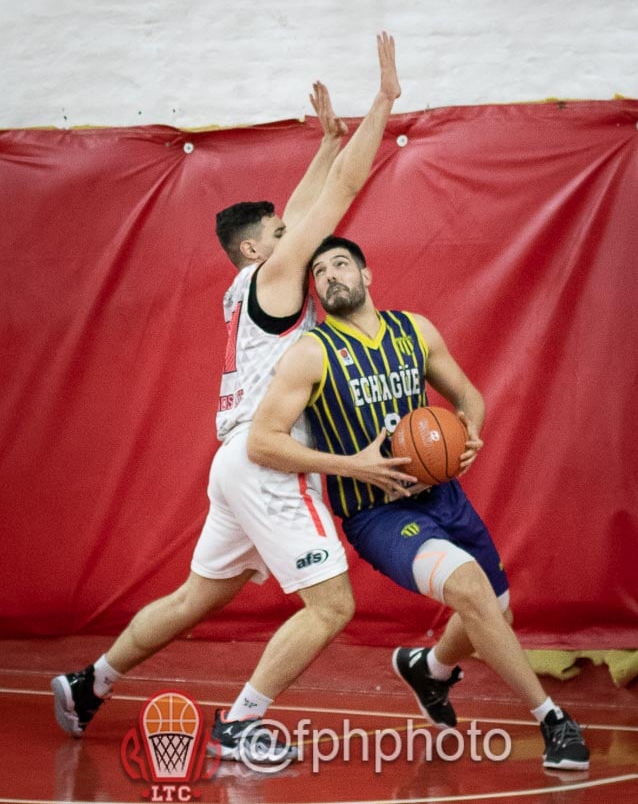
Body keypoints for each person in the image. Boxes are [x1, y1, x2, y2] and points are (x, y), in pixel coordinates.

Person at [51, 35, 402, 765]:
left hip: (233, 462)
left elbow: (305, 202)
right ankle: (242, 724)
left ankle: (89, 682)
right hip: (268, 461)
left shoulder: (249, 285)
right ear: (258, 251)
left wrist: (324, 140)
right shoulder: (275, 281)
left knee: (192, 600)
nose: (296, 238)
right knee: (333, 606)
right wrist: (384, 103)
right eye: (281, 236)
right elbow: (337, 195)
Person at [247, 234, 591, 771]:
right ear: (314, 290)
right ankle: (552, 719)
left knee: (496, 613)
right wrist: (355, 466)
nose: (331, 276)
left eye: (341, 265)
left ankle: (427, 668)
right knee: (473, 590)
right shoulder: (310, 354)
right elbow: (262, 442)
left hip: (444, 496)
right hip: (378, 513)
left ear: (367, 275)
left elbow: (467, 396)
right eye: (320, 272)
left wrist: (470, 432)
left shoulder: (415, 331)